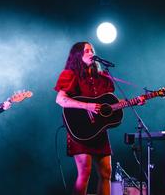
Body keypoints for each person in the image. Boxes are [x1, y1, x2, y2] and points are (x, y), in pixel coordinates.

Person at [54, 42, 128, 195]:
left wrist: (135, 101)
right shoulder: (70, 74)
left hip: (98, 129)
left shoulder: (103, 77)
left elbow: (111, 102)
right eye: (86, 51)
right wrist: (87, 106)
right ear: (77, 56)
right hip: (79, 128)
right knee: (85, 172)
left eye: (92, 50)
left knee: (107, 172)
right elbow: (60, 100)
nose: (90, 53)